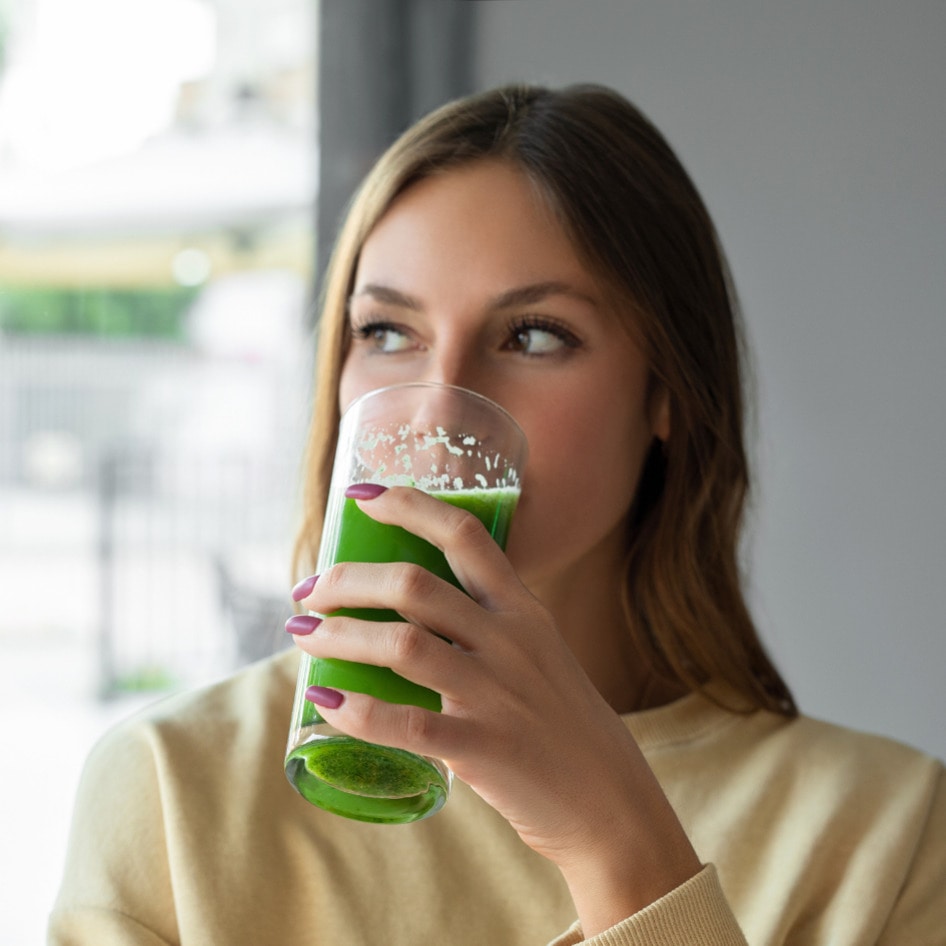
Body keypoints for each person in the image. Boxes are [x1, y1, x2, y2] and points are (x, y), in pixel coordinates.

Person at [49, 84, 945, 945]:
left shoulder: (889, 836)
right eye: (388, 332)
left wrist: (618, 846)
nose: (438, 414)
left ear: (667, 392)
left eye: (534, 336)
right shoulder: (171, 790)